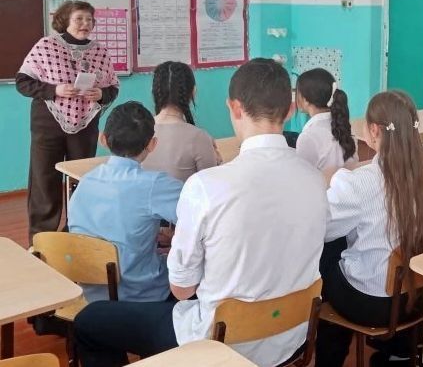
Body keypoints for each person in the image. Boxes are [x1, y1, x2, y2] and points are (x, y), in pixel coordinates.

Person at [74, 58, 327, 367]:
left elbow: (182, 290)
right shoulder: (315, 179)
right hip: (291, 337)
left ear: (234, 107)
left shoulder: (207, 186)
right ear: (290, 110)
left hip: (220, 344)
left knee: (90, 320)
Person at [315, 90, 423, 367]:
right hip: (417, 297)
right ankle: (400, 348)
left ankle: (329, 359)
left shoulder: (359, 182)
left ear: (374, 130)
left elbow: (321, 230)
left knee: (326, 255)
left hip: (373, 304)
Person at [16, 0, 119, 244]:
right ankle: (42, 241)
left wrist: (101, 94)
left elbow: (112, 87)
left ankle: (77, 233)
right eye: (79, 19)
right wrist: (54, 90)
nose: (85, 24)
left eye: (89, 19)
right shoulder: (46, 46)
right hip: (47, 124)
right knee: (44, 180)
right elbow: (23, 82)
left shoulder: (100, 52)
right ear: (65, 21)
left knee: (80, 180)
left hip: (85, 126)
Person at [68, 102, 182, 302]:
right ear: (152, 144)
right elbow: (202, 215)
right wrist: (177, 237)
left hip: (91, 295)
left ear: (103, 139)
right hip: (141, 296)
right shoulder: (155, 185)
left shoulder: (85, 181)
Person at [142, 61, 220, 181]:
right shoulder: (199, 137)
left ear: (153, 91)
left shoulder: (138, 129)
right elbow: (211, 186)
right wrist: (218, 162)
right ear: (193, 91)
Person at [295, 68, 357, 170]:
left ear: (305, 100)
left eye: (297, 92)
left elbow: (302, 175)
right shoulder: (345, 127)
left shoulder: (308, 136)